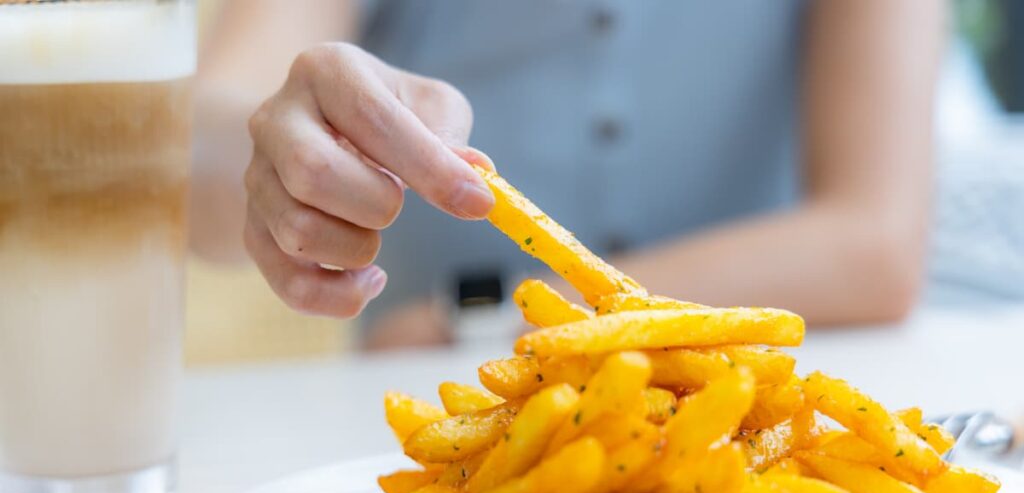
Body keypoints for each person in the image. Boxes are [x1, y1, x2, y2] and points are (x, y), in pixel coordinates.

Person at [192, 0, 946, 349]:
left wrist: (491, 319)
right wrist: (276, 159)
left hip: (761, 402)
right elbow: (193, 174)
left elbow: (873, 246)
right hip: (428, 428)